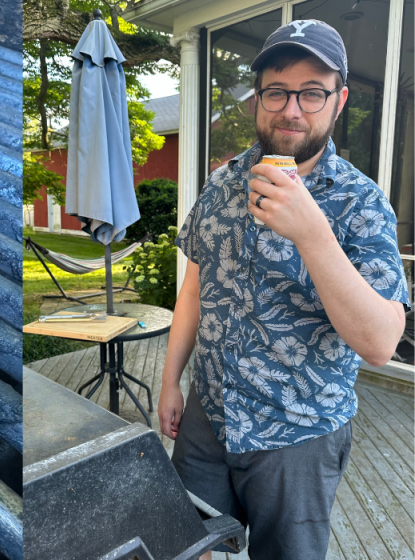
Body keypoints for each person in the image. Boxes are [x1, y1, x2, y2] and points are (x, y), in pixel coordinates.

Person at [158, 19, 410, 560]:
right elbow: (195, 288)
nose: (292, 108)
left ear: (338, 101)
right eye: (277, 91)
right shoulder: (223, 183)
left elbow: (381, 343)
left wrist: (312, 231)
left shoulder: (361, 203)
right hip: (209, 415)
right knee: (191, 548)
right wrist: (170, 381)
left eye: (312, 92)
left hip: (299, 433)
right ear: (257, 100)